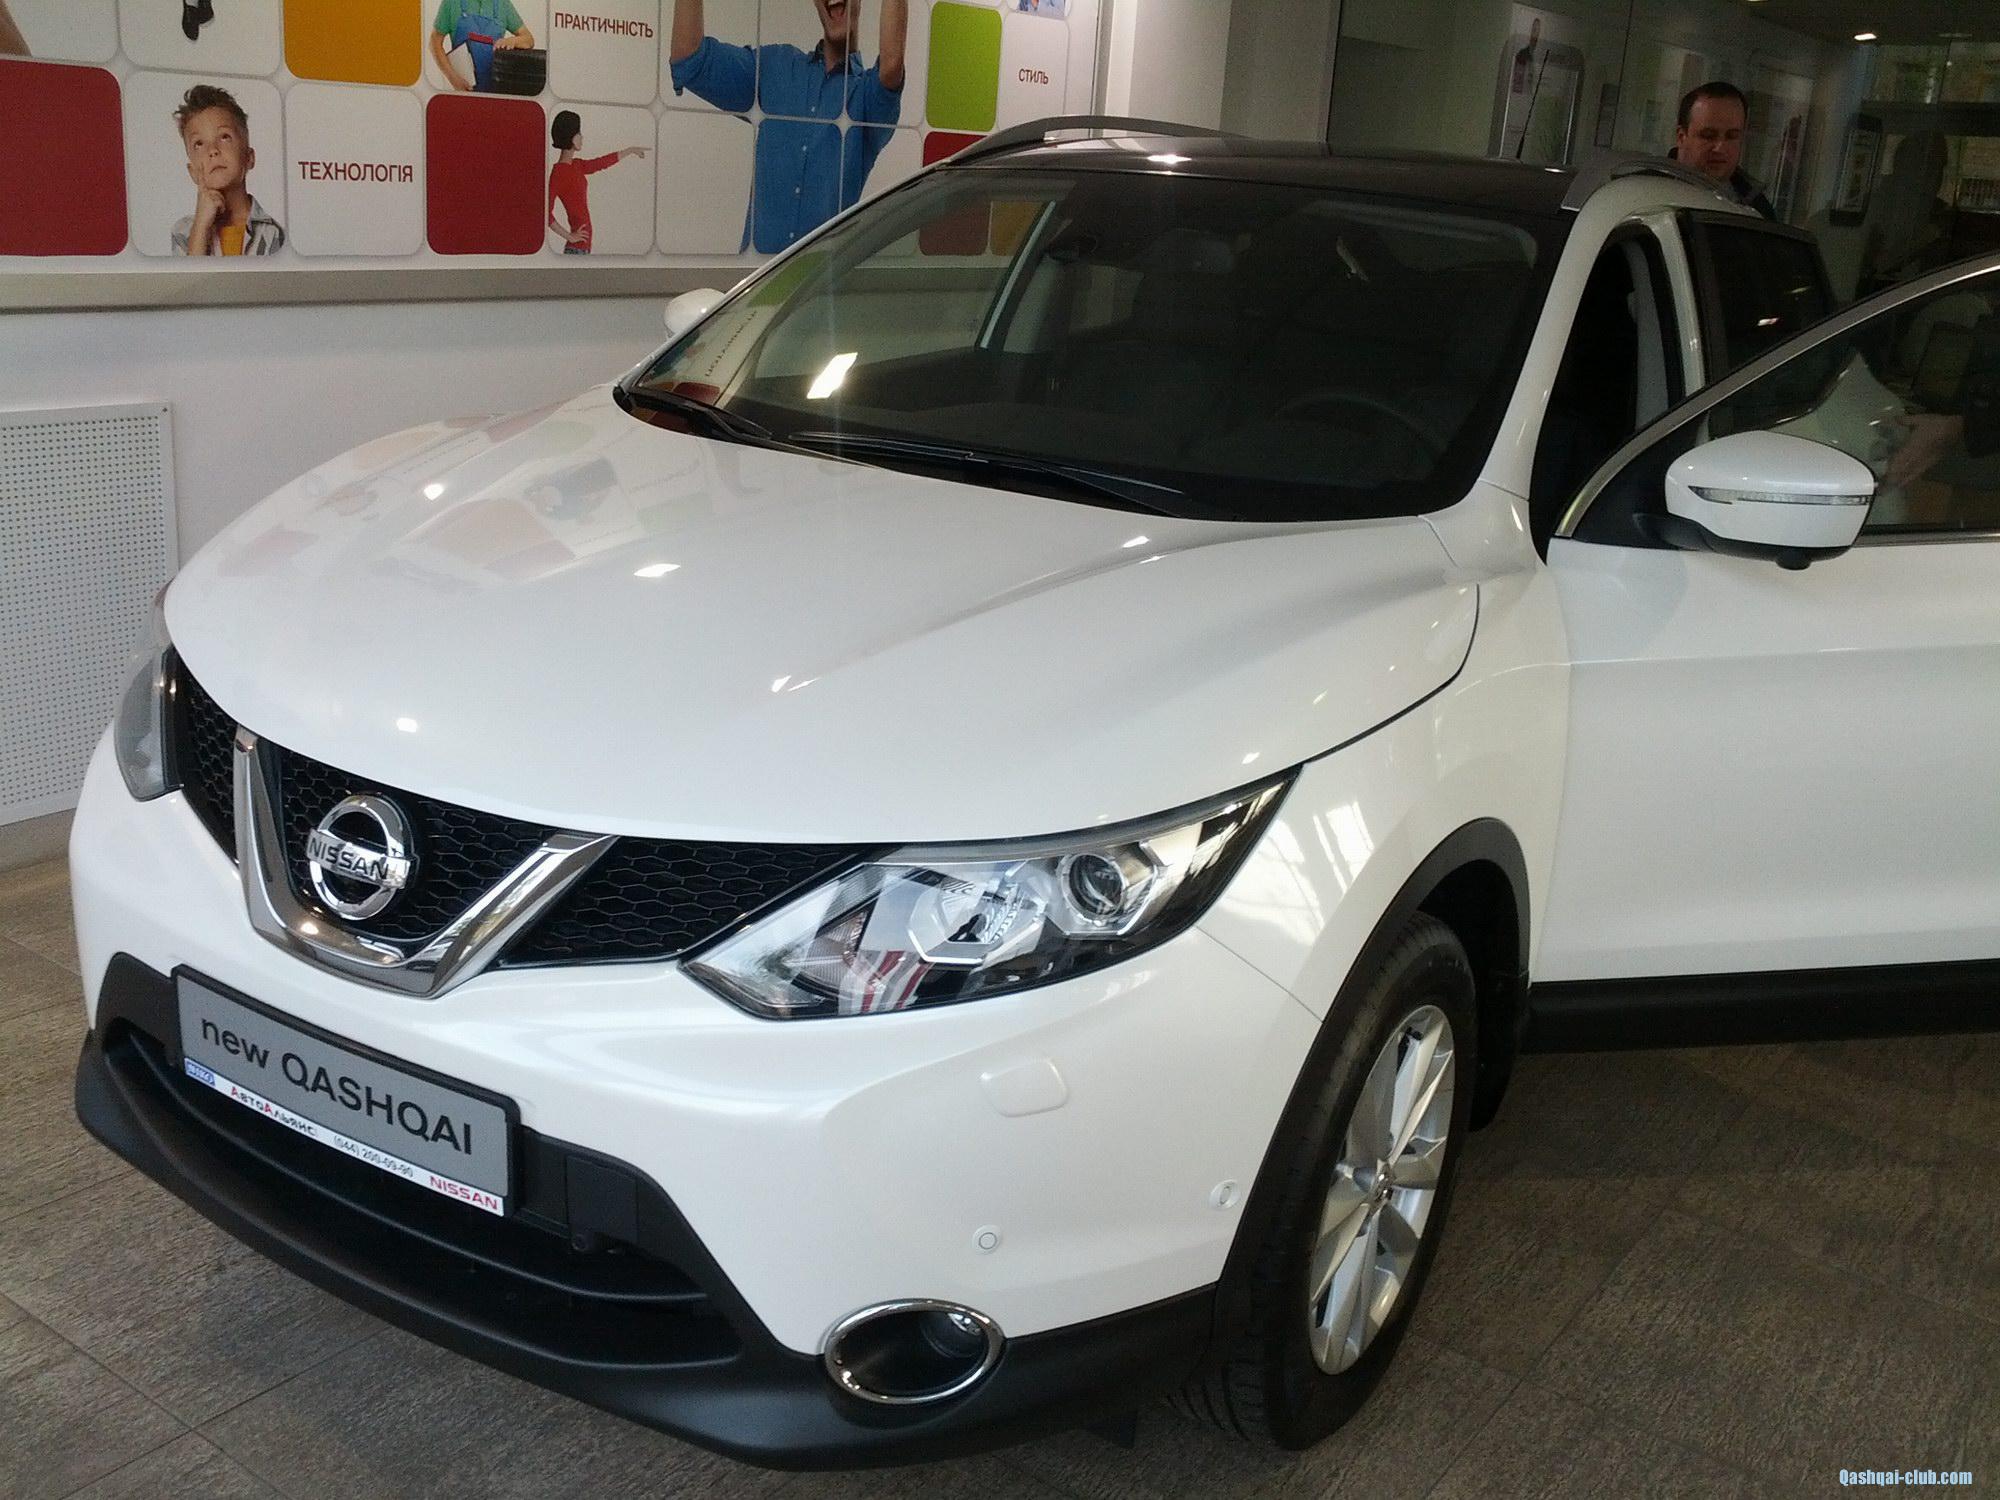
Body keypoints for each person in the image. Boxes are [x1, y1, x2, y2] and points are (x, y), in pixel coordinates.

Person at [669, 0, 907, 254]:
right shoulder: (775, 67)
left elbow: (892, 64)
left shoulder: (868, 97)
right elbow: (688, 57)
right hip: (760, 278)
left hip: (820, 279)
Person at [170, 85, 285, 256]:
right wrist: (200, 227)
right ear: (192, 172)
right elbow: (189, 274)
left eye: (224, 137)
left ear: (249, 157)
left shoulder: (273, 233)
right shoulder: (183, 232)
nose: (213, 150)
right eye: (199, 144)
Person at [1671, 81, 1776, 221]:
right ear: (1681, 137)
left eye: (1731, 136)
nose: (1720, 148)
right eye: (1708, 136)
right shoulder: (1648, 190)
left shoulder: (1758, 208)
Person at [547, 110, 648, 255]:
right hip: (576, 250)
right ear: (572, 137)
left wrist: (629, 150)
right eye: (579, 133)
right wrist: (570, 236)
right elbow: (546, 214)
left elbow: (601, 163)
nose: (582, 137)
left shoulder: (577, 165)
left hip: (583, 247)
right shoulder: (559, 173)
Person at [430, 0, 535, 93]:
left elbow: (528, 39)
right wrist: (453, 79)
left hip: (495, 92)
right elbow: (434, 43)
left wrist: (512, 41)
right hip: (462, 89)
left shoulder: (503, 4)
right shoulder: (451, 2)